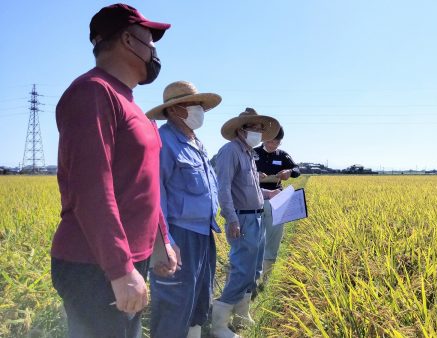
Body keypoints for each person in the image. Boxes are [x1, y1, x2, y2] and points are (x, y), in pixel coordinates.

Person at [50, 4, 176, 337]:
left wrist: (161, 241)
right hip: (95, 266)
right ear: (127, 39)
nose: (154, 50)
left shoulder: (133, 106)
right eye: (150, 40)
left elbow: (143, 185)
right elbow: (92, 188)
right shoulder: (92, 92)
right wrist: (120, 270)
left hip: (127, 259)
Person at [145, 81, 222, 338]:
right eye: (195, 104)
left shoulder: (197, 142)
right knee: (174, 305)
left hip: (203, 233)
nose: (200, 109)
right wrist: (164, 243)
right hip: (179, 236)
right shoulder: (163, 142)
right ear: (176, 109)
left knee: (199, 297)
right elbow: (155, 196)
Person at [211, 108, 281, 338]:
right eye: (255, 128)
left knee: (254, 268)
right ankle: (219, 323)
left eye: (261, 129)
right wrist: (231, 218)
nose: (259, 133)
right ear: (241, 129)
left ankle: (241, 314)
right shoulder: (230, 151)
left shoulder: (249, 153)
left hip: (256, 215)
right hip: (242, 218)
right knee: (242, 269)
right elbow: (224, 189)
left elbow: (247, 187)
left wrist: (267, 194)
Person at [254, 127, 301, 288]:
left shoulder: (283, 155)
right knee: (256, 238)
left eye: (277, 142)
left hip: (278, 199)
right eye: (271, 141)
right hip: (255, 198)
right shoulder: (253, 153)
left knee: (274, 238)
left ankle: (266, 280)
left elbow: (297, 170)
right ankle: (253, 276)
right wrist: (255, 174)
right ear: (264, 139)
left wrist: (289, 171)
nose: (273, 145)